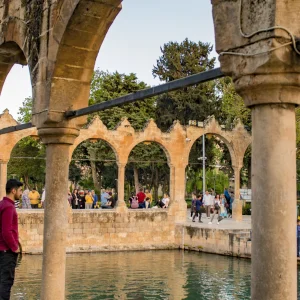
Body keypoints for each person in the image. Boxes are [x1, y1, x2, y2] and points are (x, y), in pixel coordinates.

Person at [0, 179, 23, 299]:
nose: (21, 193)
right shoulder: (9, 207)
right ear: (13, 191)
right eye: (20, 190)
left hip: (2, 250)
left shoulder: (2, 204)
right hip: (7, 251)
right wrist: (14, 247)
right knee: (6, 283)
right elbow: (6, 231)